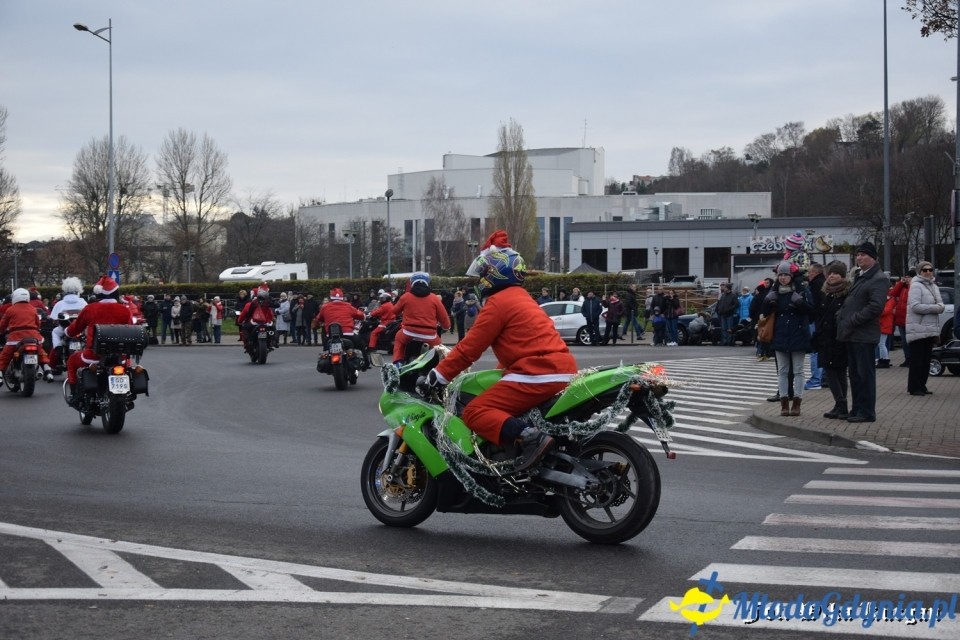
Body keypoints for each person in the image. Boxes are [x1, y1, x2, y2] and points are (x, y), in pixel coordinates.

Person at [418, 230, 578, 473]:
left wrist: (437, 375)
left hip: (538, 373)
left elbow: (469, 349)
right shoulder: (522, 297)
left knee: (475, 411)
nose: (479, 280)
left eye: (482, 274)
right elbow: (519, 347)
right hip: (560, 369)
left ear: (494, 274)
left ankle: (530, 438)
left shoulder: (498, 303)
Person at [836, 242, 889, 423]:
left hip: (864, 335)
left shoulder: (878, 279)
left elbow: (875, 307)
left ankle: (866, 411)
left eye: (863, 255)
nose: (859, 258)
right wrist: (840, 315)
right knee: (855, 375)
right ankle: (857, 408)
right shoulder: (861, 276)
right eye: (858, 255)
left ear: (872, 257)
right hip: (852, 334)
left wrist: (853, 319)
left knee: (865, 375)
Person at [63, 276, 134, 405]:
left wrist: (67, 332)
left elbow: (75, 328)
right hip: (119, 357)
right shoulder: (125, 310)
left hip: (93, 356)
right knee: (127, 366)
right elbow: (130, 329)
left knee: (72, 361)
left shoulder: (90, 309)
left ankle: (75, 395)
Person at [764, 261, 814, 416]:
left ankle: (797, 403)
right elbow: (764, 313)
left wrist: (799, 303)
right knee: (782, 371)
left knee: (798, 370)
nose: (783, 278)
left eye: (786, 275)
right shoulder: (775, 292)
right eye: (781, 275)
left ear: (792, 276)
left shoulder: (801, 291)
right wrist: (767, 301)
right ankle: (784, 403)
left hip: (798, 334)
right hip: (780, 334)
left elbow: (812, 312)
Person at [814, 261, 851, 419]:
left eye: (836, 273)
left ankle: (841, 404)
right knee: (831, 372)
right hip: (826, 337)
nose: (832, 276)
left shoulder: (846, 293)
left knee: (838, 372)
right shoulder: (825, 292)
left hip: (839, 337)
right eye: (830, 273)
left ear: (842, 276)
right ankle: (840, 403)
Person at [391, 273, 450, 365]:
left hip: (408, 333)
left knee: (398, 338)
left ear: (412, 283)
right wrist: (446, 327)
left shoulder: (406, 296)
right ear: (427, 283)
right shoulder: (434, 298)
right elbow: (444, 318)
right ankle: (438, 368)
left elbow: (394, 311)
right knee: (439, 350)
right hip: (429, 335)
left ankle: (398, 363)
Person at [0, 287, 55, 384]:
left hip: (16, 337)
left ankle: (0, 375)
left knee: (5, 356)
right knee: (41, 352)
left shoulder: (10, 309)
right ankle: (47, 370)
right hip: (33, 336)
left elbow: (3, 324)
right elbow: (37, 323)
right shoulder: (33, 309)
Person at [905, 261, 944, 396]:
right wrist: (935, 308)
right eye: (925, 270)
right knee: (917, 360)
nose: (928, 272)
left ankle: (922, 385)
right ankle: (914, 387)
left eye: (930, 270)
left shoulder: (933, 286)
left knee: (926, 360)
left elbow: (941, 304)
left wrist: (939, 307)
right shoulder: (916, 285)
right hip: (918, 328)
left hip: (930, 328)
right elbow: (915, 306)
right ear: (919, 272)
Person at [49, 277, 88, 371]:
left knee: (55, 332)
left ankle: (58, 347)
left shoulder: (60, 303)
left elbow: (54, 318)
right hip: (80, 329)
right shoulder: (82, 302)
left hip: (65, 330)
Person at [804, 262, 825, 388]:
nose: (808, 274)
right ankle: (823, 377)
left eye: (810, 272)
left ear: (815, 272)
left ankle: (816, 379)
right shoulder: (824, 283)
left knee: (815, 350)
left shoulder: (815, 285)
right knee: (822, 349)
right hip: (822, 321)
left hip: (815, 321)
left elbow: (814, 306)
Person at [888, 270, 914, 366]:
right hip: (900, 319)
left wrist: (911, 283)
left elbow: (912, 296)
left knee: (910, 341)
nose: (907, 279)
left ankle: (912, 358)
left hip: (909, 319)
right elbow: (893, 293)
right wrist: (900, 283)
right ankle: (907, 358)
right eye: (905, 277)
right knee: (904, 341)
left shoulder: (913, 287)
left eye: (909, 277)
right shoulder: (903, 287)